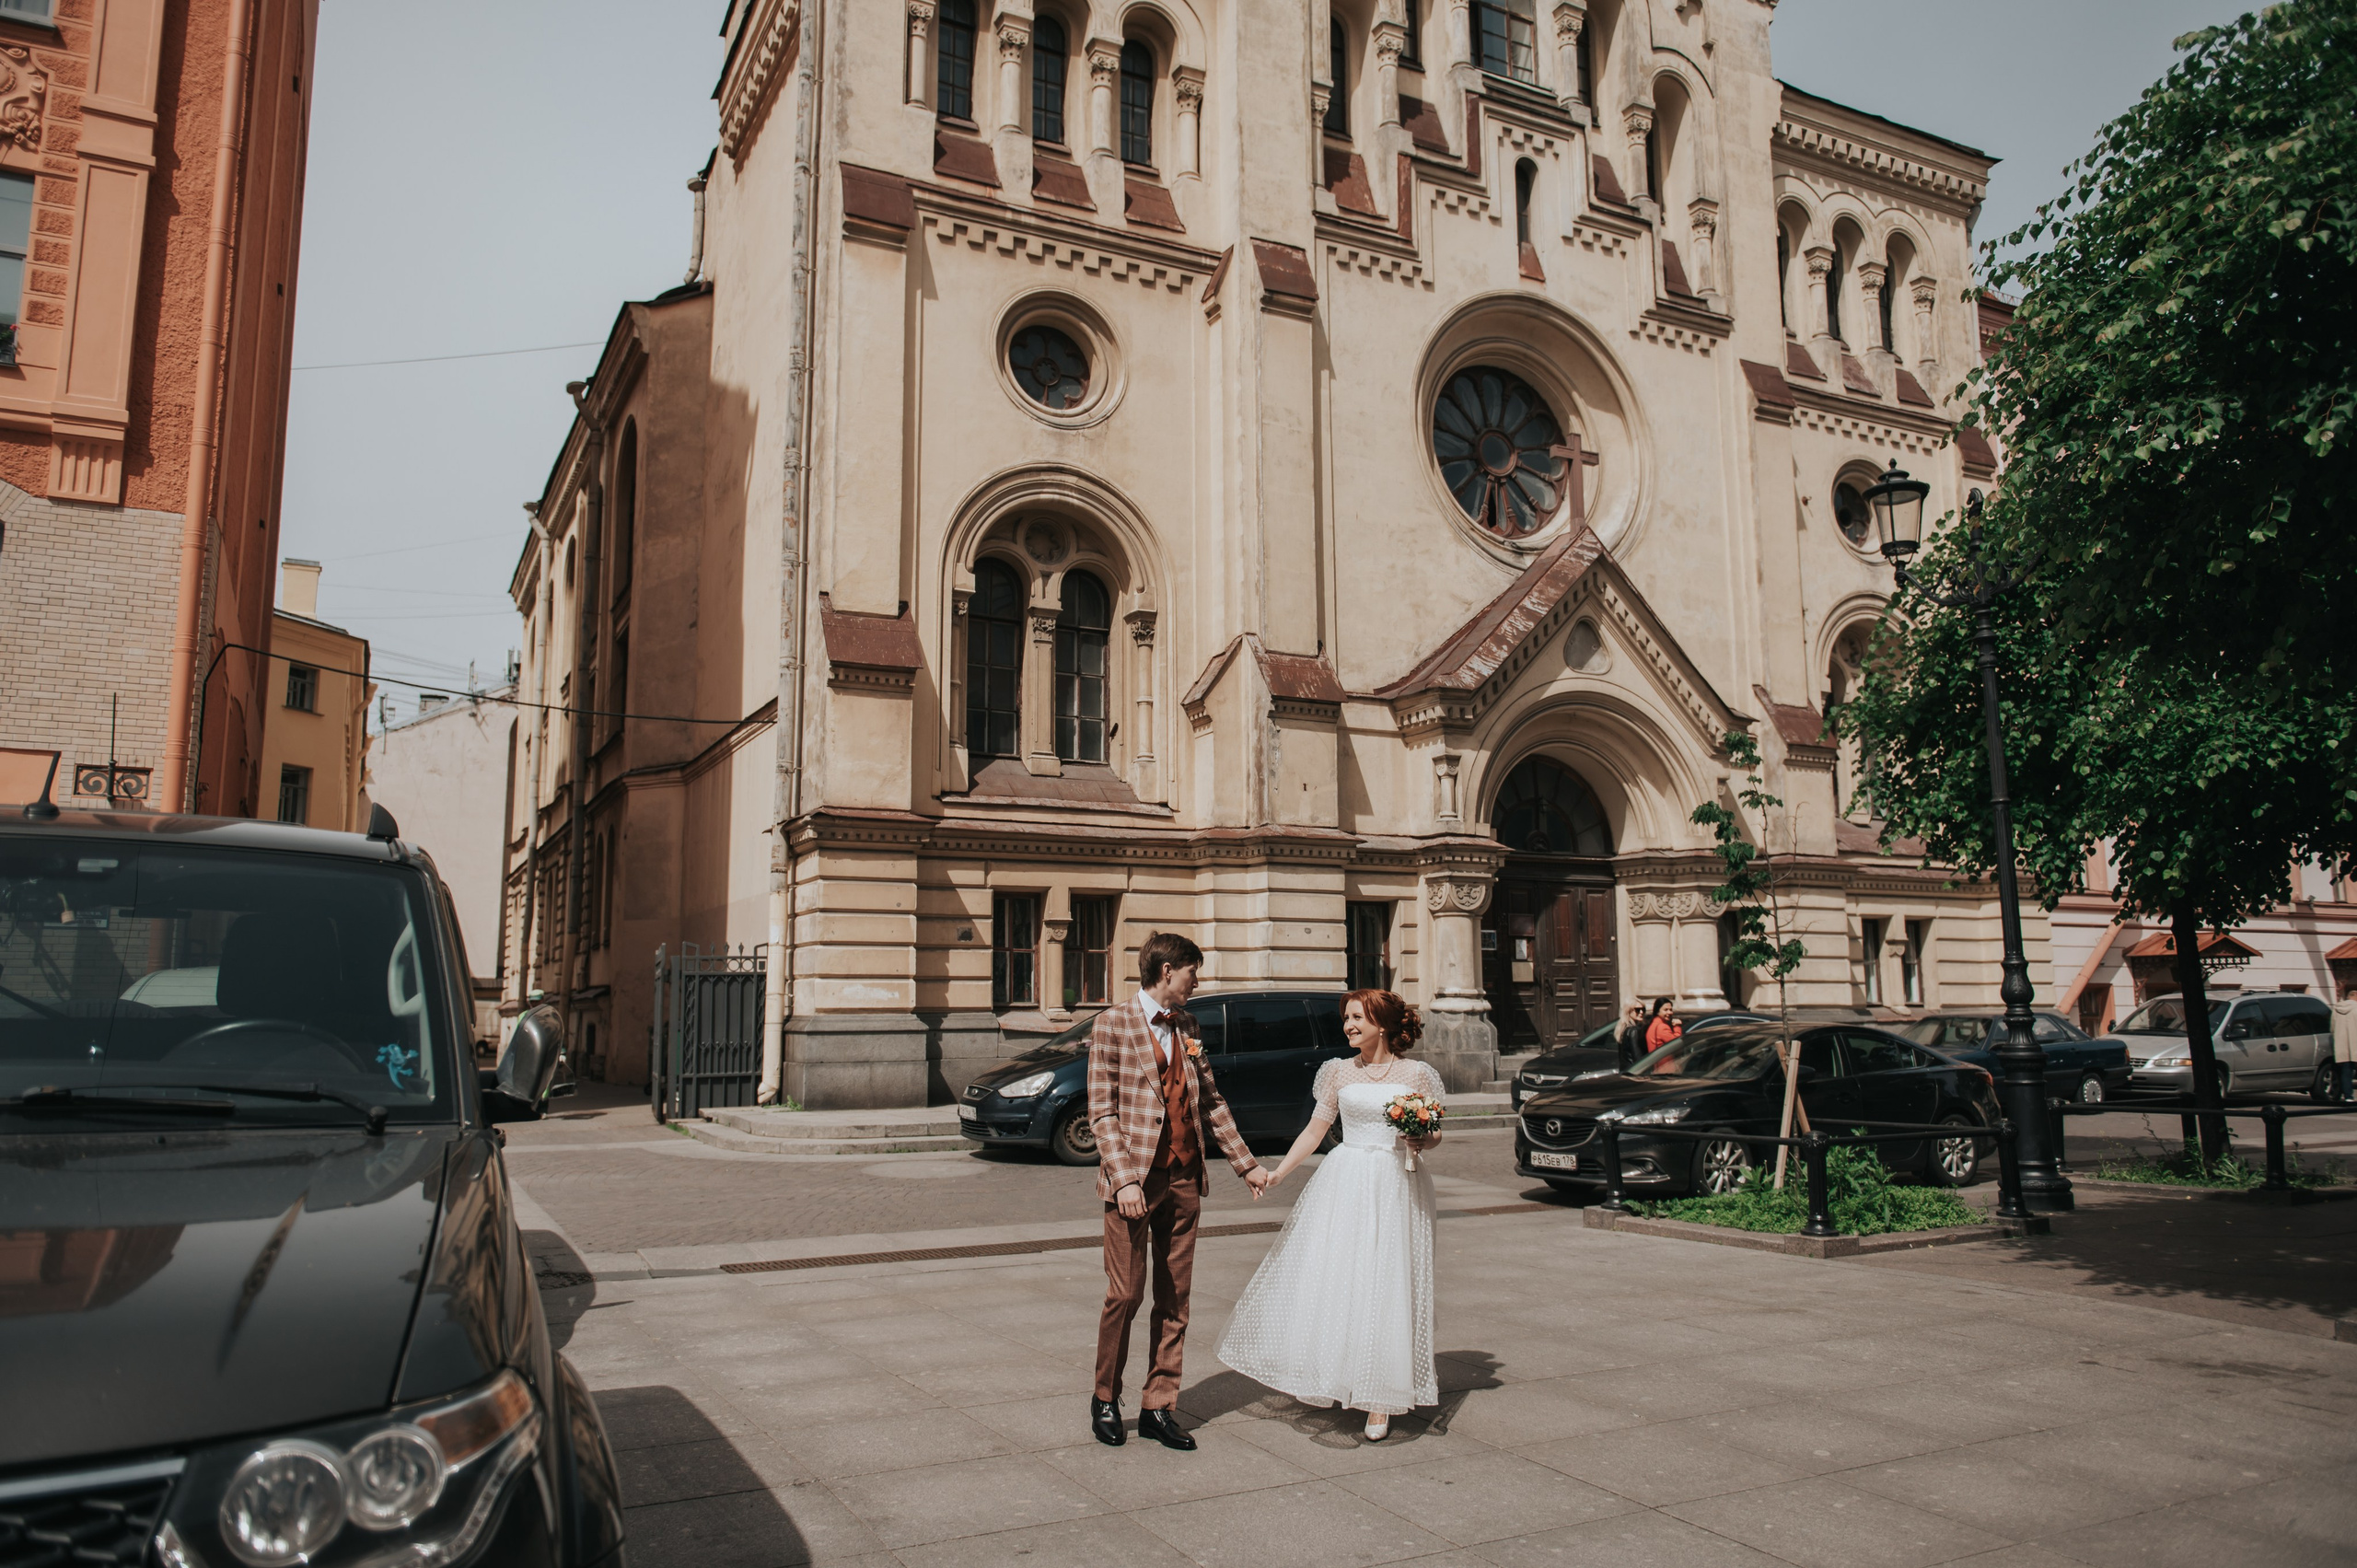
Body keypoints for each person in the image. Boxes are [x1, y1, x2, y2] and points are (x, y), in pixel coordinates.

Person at [1215, 989, 1445, 1444]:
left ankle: (1381, 1396)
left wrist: (1422, 1139)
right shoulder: (1337, 1071)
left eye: (1357, 1017)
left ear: (1383, 1024)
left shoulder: (1417, 1074)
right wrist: (1279, 1172)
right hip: (1346, 1181)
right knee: (1341, 1277)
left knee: (1388, 1281)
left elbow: (1435, 1131)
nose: (1348, 1026)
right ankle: (1339, 1372)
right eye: (1346, 1018)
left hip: (1396, 1183)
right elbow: (1315, 1129)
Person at [1087, 932, 1271, 1451]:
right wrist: (1124, 1179)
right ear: (1167, 970)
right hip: (1134, 1183)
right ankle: (1105, 1397)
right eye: (1193, 972)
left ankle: (1158, 1406)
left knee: (1175, 1298)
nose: (1197, 982)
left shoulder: (1188, 1026)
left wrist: (1246, 1165)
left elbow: (1210, 1101)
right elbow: (1101, 1112)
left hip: (1185, 1178)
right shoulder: (1112, 1023)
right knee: (1125, 1294)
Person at [1615, 1003, 1648, 1069]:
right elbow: (1638, 1058)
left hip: (1626, 1070)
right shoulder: (1634, 1031)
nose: (1641, 1012)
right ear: (1629, 1011)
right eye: (1637, 1010)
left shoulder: (1623, 1029)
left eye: (1643, 1009)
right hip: (1634, 1071)